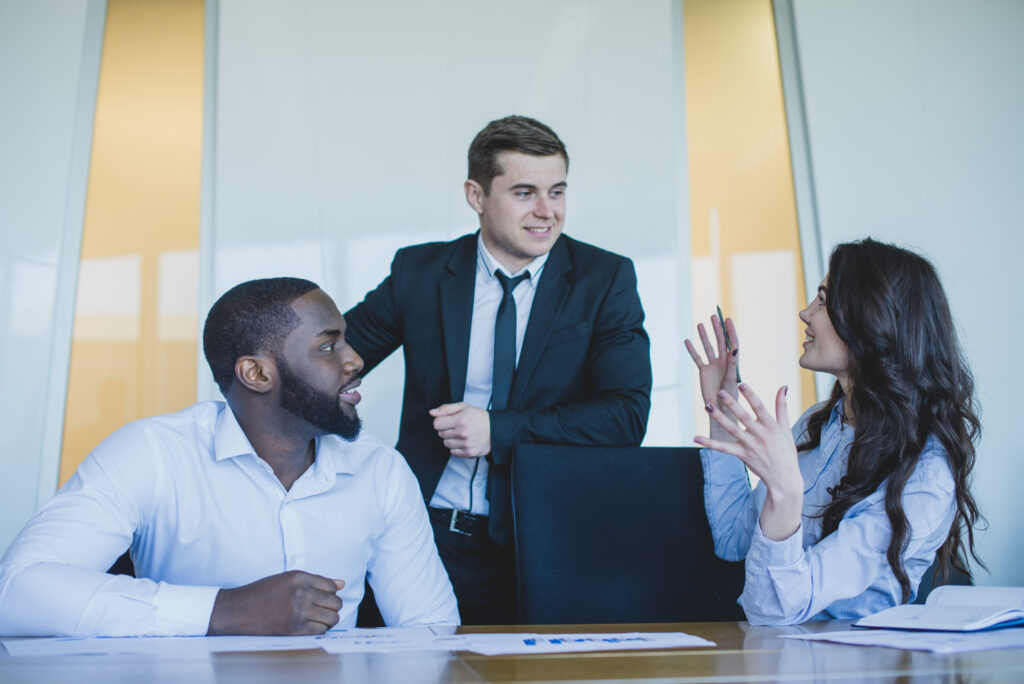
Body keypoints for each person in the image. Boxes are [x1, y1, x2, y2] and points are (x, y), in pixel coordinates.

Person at [0, 278, 459, 636]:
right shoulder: (151, 453)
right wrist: (224, 609)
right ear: (256, 373)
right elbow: (16, 591)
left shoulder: (380, 470)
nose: (355, 359)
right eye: (328, 345)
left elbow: (431, 629)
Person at [344, 115, 652, 624]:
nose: (546, 212)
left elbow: (625, 417)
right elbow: (335, 360)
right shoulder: (418, 273)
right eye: (525, 192)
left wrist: (498, 429)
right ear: (476, 194)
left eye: (557, 192)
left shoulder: (605, 279)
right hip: (420, 534)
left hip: (541, 540)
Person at [685, 238, 983, 625]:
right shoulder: (817, 425)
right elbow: (732, 539)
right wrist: (723, 408)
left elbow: (773, 610)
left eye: (823, 300)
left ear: (874, 319)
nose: (805, 313)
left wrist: (787, 494)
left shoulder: (925, 475)